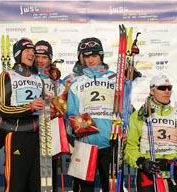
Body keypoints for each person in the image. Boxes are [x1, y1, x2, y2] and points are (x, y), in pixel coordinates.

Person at [66, 37, 115, 191]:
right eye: (86, 56)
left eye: (94, 56)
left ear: (101, 56)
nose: (91, 60)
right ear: (82, 58)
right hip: (86, 144)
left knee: (111, 187)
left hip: (110, 142)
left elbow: (123, 109)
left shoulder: (115, 79)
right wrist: (79, 126)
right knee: (85, 189)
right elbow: (71, 114)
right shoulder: (76, 83)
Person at [0, 38, 44, 192]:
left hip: (38, 138)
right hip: (17, 135)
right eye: (27, 50)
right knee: (16, 185)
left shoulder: (38, 78)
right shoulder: (7, 76)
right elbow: (4, 108)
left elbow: (42, 109)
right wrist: (29, 107)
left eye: (33, 51)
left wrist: (53, 109)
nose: (32, 54)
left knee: (36, 186)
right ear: (18, 54)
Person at [124, 74, 177, 191]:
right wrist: (141, 162)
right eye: (161, 88)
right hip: (148, 171)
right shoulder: (140, 116)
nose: (167, 91)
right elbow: (130, 148)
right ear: (152, 91)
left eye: (169, 88)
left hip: (172, 170)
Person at [34, 40, 66, 192]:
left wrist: (56, 106)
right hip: (32, 131)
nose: (40, 60)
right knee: (33, 176)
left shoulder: (56, 81)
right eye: (37, 56)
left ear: (50, 59)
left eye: (44, 57)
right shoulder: (28, 77)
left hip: (50, 132)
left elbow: (62, 107)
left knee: (49, 177)